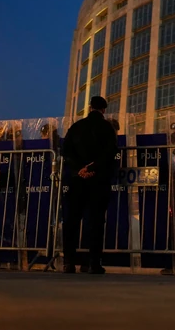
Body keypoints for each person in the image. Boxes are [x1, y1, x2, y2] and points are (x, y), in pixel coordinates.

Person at [61, 96, 118, 274]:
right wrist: (93, 167)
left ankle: (68, 262)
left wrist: (80, 169)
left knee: (72, 220)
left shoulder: (76, 126)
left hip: (77, 179)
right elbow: (110, 152)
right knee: (96, 221)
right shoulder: (107, 127)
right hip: (98, 180)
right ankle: (94, 263)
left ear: (90, 107)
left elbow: (66, 151)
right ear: (104, 110)